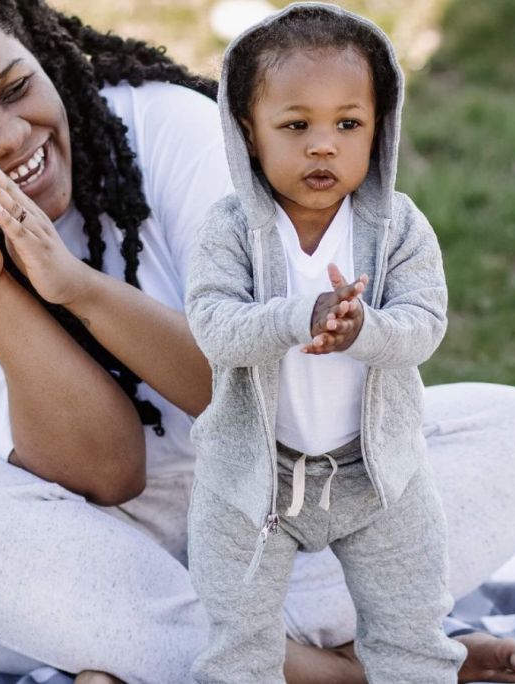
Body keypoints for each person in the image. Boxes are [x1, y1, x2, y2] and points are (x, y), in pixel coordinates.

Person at [0, 0, 515, 682]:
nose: (11, 135)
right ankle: (340, 669)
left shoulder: (169, 128)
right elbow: (105, 473)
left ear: (42, 58)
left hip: (267, 503)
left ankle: (162, 663)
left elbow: (280, 393)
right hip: (70, 552)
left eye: (17, 87)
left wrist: (76, 284)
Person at [184, 4, 464, 681]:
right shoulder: (229, 229)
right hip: (255, 479)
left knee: (412, 632)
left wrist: (364, 330)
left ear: (380, 129)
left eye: (348, 124)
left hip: (376, 474)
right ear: (249, 134)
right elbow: (215, 328)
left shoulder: (396, 226)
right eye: (295, 125)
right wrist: (298, 316)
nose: (322, 145)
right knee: (237, 646)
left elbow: (424, 325)